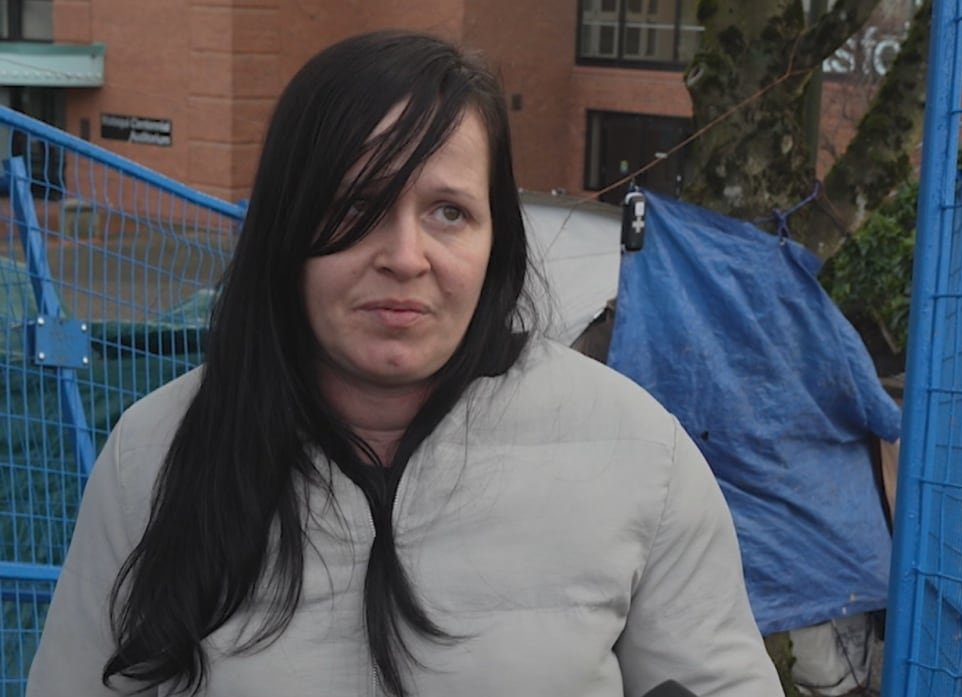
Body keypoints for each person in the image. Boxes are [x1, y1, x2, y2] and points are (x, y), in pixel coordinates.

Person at [27, 31, 783, 697]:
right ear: (285, 230)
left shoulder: (640, 455)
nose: (403, 257)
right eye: (355, 206)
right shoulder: (151, 455)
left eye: (448, 211)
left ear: (496, 241)